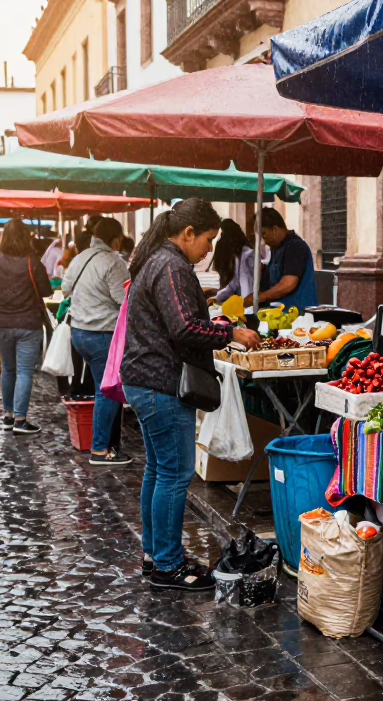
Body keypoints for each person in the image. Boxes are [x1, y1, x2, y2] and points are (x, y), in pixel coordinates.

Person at [122, 201, 259, 590]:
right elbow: (183, 329)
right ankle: (167, 564)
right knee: (175, 473)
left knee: (158, 470)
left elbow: (178, 322)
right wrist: (229, 333)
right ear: (188, 234)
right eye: (208, 240)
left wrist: (212, 325)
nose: (209, 250)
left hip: (145, 380)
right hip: (160, 382)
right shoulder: (172, 266)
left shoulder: (157, 261)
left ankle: (156, 555)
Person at [62, 217, 131, 465]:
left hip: (79, 333)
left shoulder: (80, 257)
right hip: (102, 334)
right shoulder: (114, 262)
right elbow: (123, 299)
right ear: (115, 238)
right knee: (108, 391)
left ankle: (105, 444)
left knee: (101, 388)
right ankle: (100, 449)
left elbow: (65, 287)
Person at [0, 219, 51, 434]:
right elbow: (46, 290)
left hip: (1, 324)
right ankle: (21, 420)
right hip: (29, 324)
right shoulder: (33, 261)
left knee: (8, 369)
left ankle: (8, 416)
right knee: (24, 371)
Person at [249, 208, 317, 310]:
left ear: (275, 229)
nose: (263, 240)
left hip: (299, 314)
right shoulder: (276, 248)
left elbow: (287, 284)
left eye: (264, 234)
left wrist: (259, 298)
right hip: (281, 311)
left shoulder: (295, 246)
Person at [210, 219, 255, 305]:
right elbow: (235, 282)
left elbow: (246, 287)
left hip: (248, 304)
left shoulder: (247, 255)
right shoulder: (238, 254)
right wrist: (217, 297)